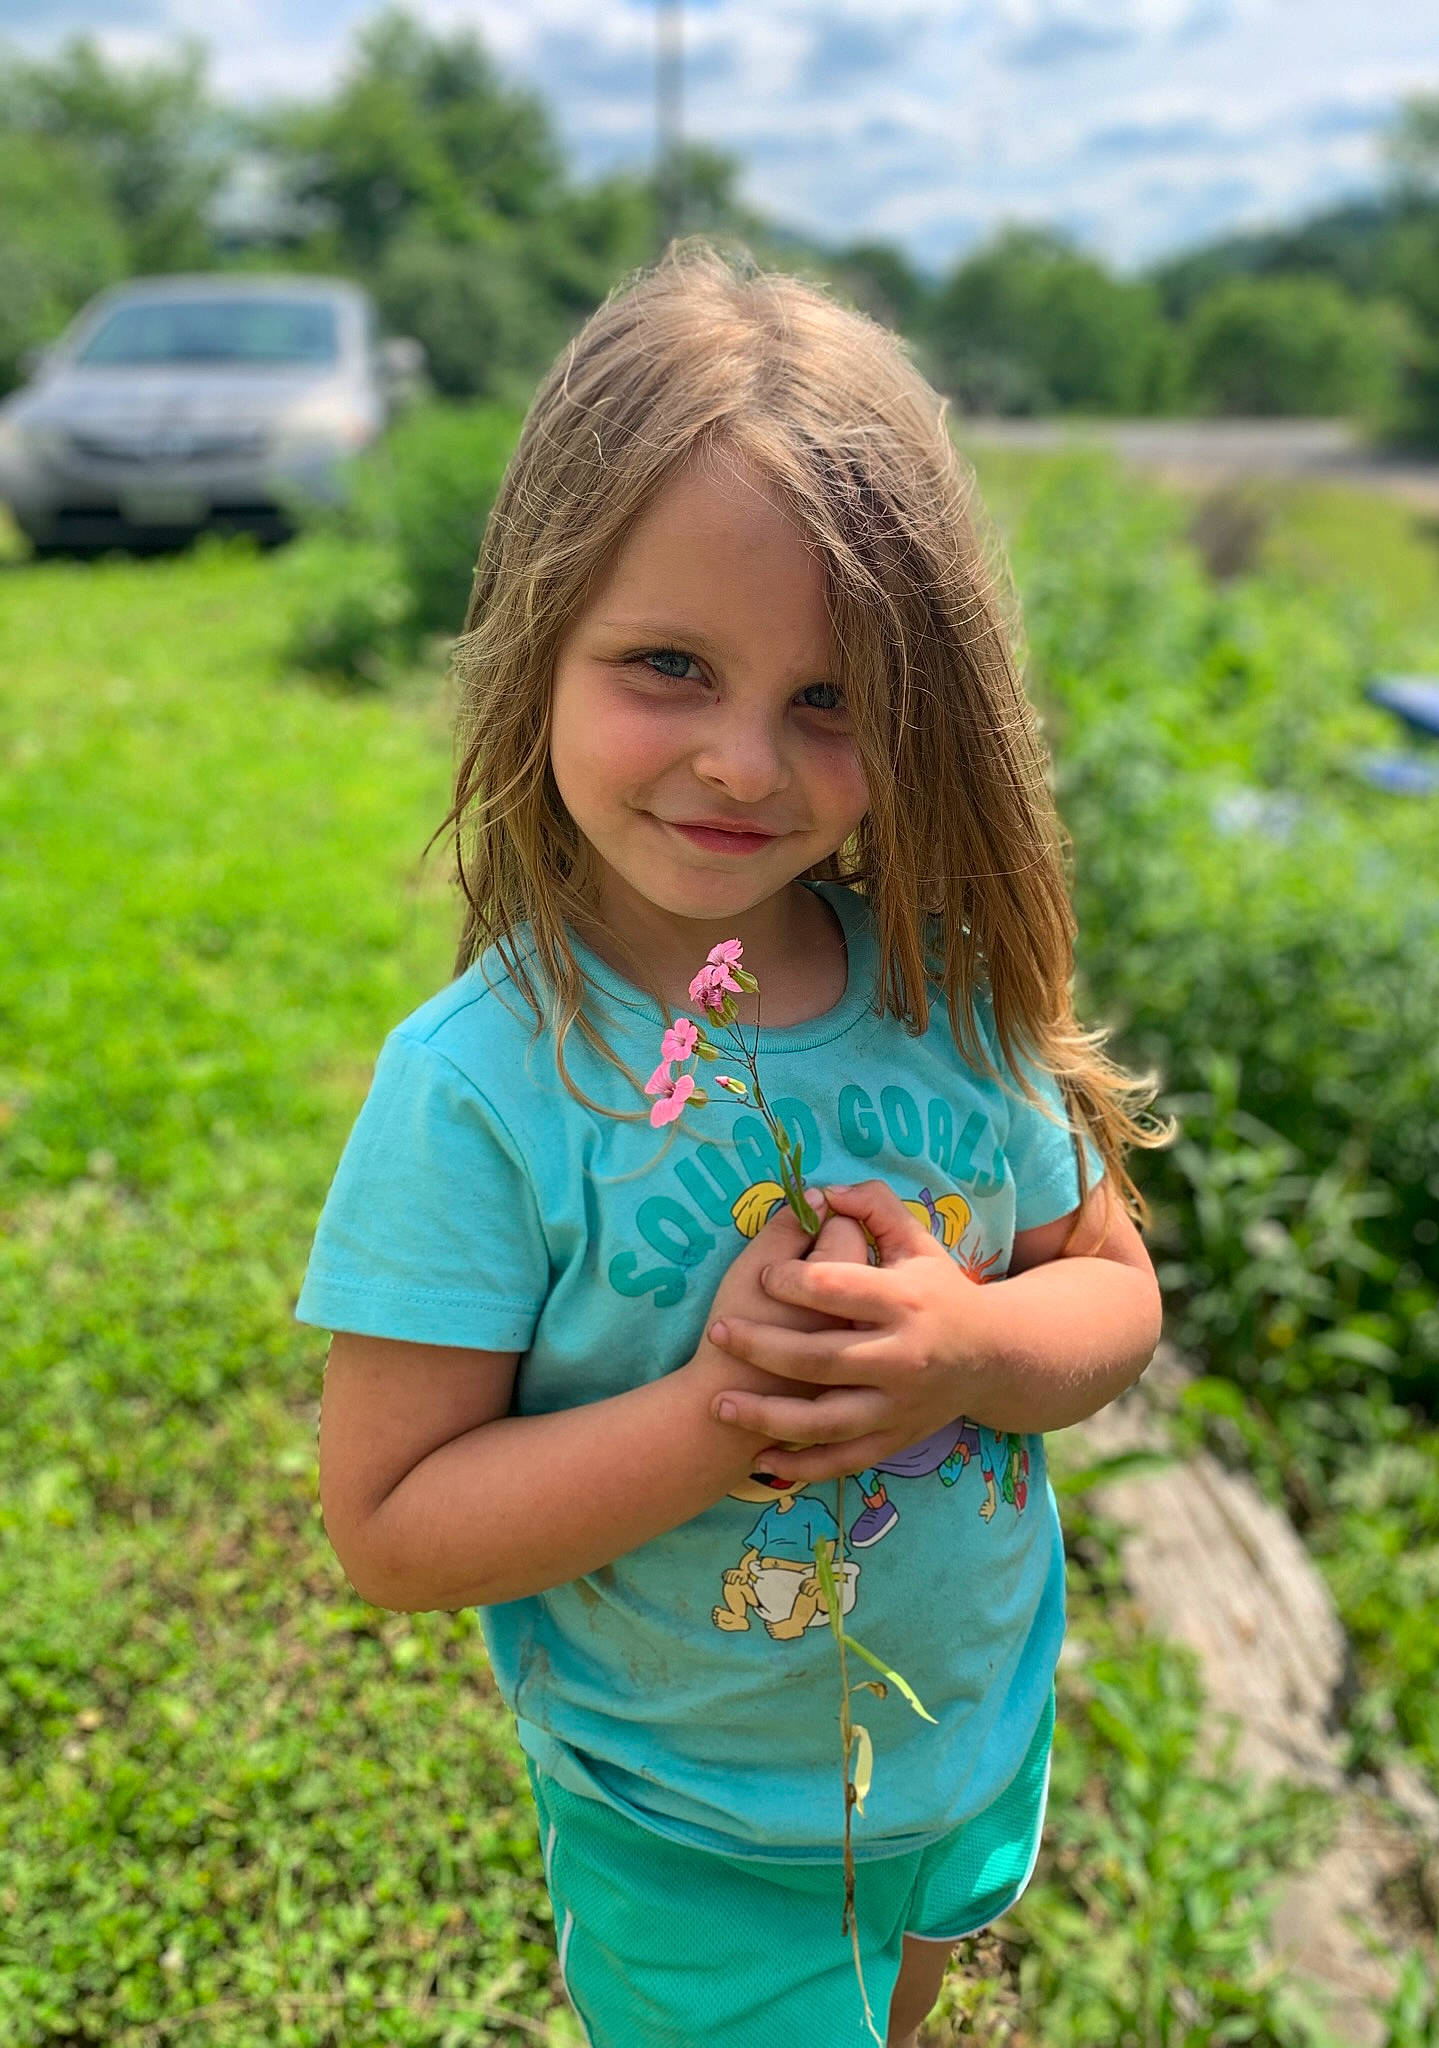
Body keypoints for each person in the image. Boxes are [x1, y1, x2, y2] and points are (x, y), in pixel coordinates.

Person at [297, 240, 1166, 2048]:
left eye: (831, 698)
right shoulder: (483, 1086)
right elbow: (390, 1528)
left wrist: (968, 1349)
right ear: (539, 643)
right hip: (689, 1828)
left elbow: (1111, 1295)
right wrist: (723, 1412)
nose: (748, 763)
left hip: (960, 1747)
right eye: (671, 665)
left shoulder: (945, 991)